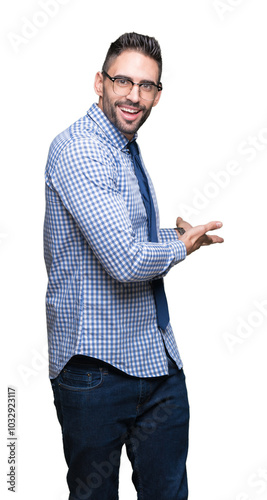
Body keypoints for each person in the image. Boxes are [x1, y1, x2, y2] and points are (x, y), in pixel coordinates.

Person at [44, 32, 223, 500]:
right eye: (124, 81)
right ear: (99, 82)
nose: (134, 95)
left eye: (147, 86)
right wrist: (179, 248)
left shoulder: (123, 146)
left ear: (158, 95)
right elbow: (124, 260)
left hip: (155, 362)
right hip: (96, 370)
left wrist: (180, 239)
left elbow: (125, 240)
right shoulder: (82, 150)